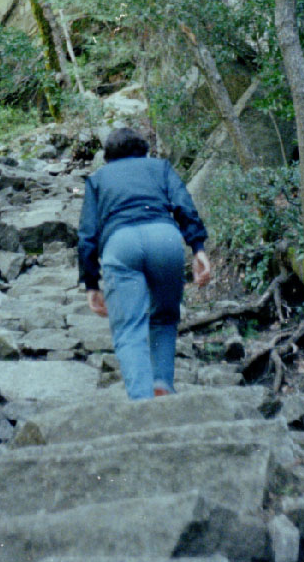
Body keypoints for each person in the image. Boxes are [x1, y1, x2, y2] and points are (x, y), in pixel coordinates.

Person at [77, 126, 211, 400]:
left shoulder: (98, 179)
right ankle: (161, 382)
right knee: (163, 318)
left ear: (108, 156)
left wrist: (91, 283)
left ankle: (142, 400)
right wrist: (198, 248)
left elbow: (87, 234)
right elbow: (184, 205)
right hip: (165, 239)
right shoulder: (159, 168)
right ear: (144, 150)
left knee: (129, 327)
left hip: (120, 242)